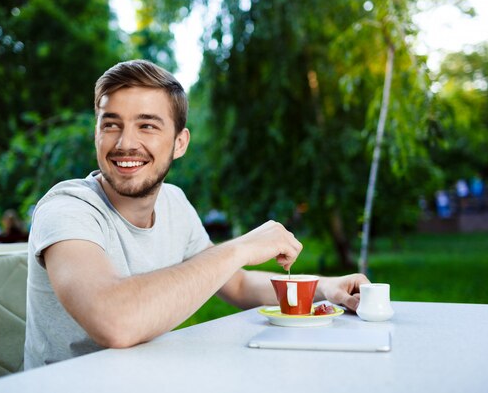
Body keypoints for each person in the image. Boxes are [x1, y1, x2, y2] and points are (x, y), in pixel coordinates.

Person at [25, 60, 369, 369]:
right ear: (97, 133)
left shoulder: (173, 202)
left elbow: (234, 282)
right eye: (111, 125)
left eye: (147, 126)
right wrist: (241, 248)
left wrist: (326, 287)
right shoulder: (66, 208)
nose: (125, 143)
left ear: (180, 143)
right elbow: (115, 321)